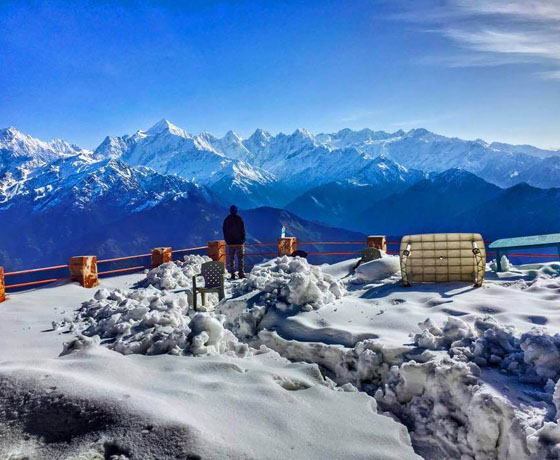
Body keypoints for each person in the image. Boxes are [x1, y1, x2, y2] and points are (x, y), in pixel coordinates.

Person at [222, 205, 246, 279]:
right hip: (239, 243)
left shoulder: (227, 220)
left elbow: (224, 231)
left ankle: (233, 274)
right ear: (236, 210)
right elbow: (243, 230)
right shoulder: (239, 219)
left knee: (231, 259)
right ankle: (241, 273)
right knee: (240, 259)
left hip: (230, 243)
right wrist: (243, 240)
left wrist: (227, 241)